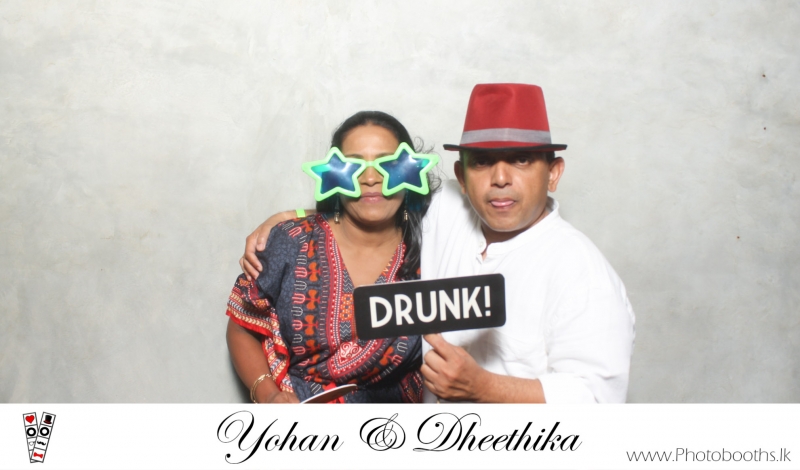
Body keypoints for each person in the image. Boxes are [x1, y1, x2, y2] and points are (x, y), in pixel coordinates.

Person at [242, 84, 635, 403]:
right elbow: (374, 199)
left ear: (553, 173)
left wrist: (484, 387)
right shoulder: (448, 211)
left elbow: (598, 398)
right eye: (482, 162)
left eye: (520, 160)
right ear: (461, 178)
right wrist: (295, 217)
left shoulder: (581, 269)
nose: (500, 178)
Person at [227, 111, 436, 403]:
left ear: (410, 172)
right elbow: (241, 325)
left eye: (388, 164)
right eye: (354, 166)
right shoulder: (293, 242)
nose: (371, 178)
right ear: (335, 175)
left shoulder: (435, 248)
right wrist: (269, 395)